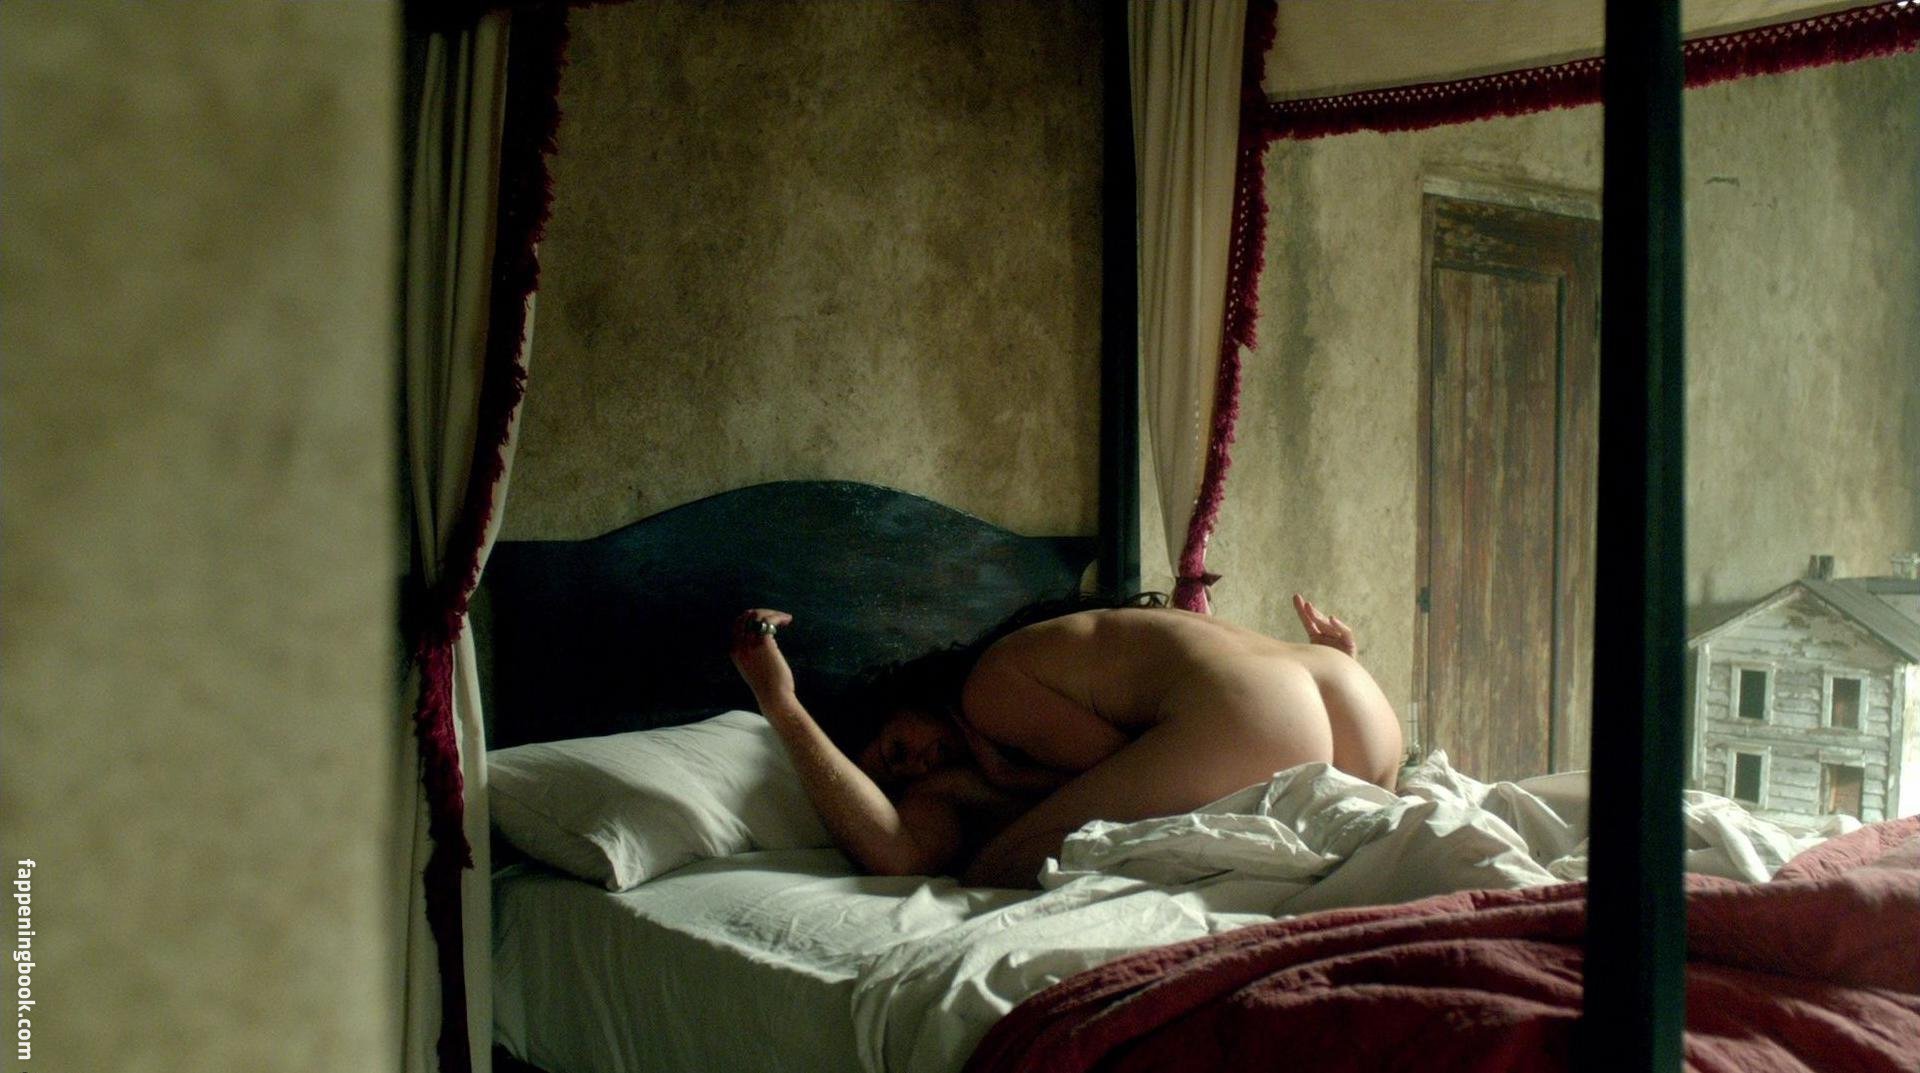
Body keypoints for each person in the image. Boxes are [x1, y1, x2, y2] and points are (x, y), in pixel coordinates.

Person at [728, 592, 1402, 889]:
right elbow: (900, 851)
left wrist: (780, 700)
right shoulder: (1066, 652)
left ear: (912, 699)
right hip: (1350, 691)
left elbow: (1117, 766)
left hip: (1260, 717)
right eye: (900, 775)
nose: (919, 765)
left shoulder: (988, 687)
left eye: (898, 746)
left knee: (992, 872)